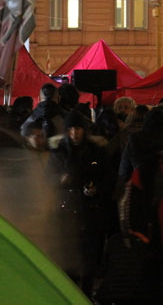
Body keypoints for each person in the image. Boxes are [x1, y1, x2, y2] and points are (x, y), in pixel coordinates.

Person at [47, 109, 107, 296]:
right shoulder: (58, 151)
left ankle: (86, 293)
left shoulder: (96, 150)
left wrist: (96, 188)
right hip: (65, 209)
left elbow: (107, 176)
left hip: (90, 209)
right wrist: (60, 181)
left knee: (88, 256)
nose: (75, 133)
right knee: (68, 254)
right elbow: (48, 177)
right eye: (71, 129)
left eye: (78, 129)